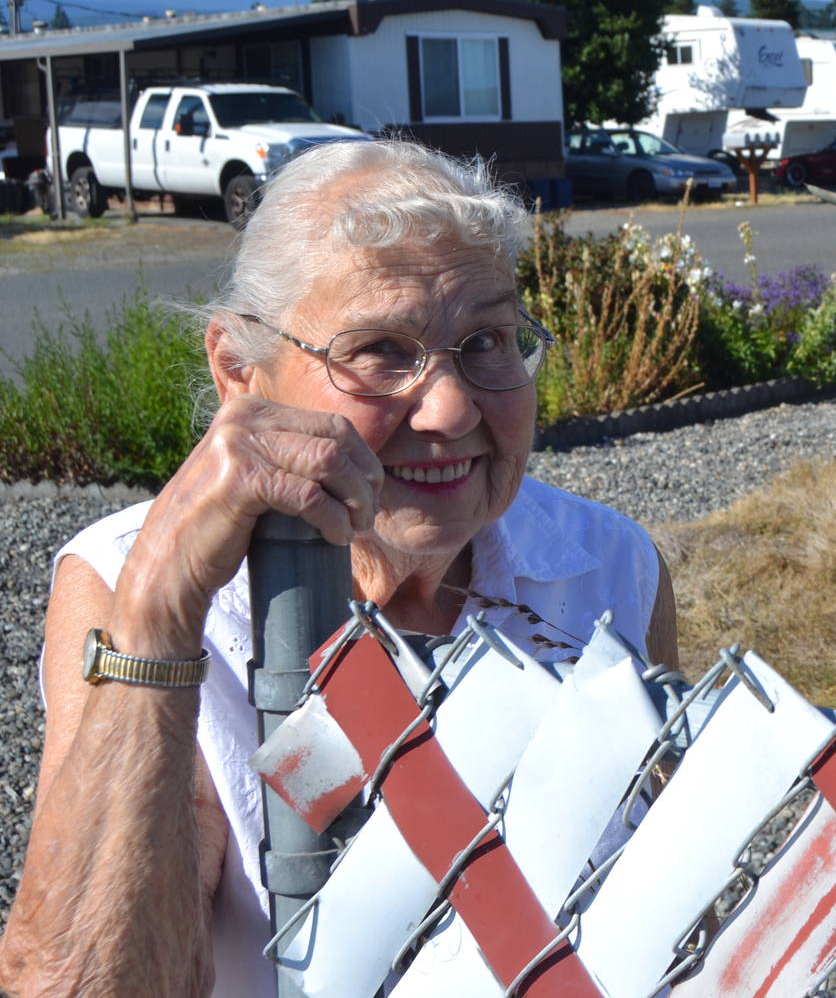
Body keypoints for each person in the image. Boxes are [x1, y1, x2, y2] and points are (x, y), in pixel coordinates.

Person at [0, 139, 678, 998]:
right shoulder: (132, 587)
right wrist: (158, 611)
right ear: (240, 374)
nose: (453, 405)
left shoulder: (609, 567)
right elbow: (81, 984)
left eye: (487, 339)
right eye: (383, 350)